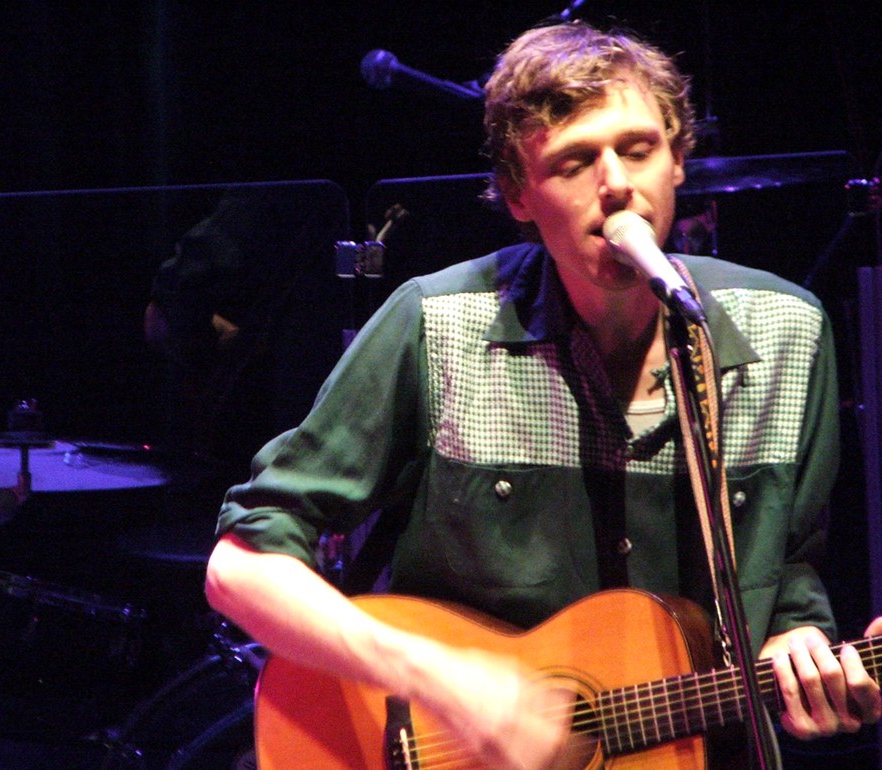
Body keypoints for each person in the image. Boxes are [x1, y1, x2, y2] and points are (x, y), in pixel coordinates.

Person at [204, 20, 882, 769]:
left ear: (680, 159)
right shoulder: (438, 325)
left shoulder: (788, 332)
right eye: (574, 162)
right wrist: (444, 679)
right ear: (518, 196)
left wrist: (796, 640)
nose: (617, 183)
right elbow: (241, 566)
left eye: (638, 149)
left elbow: (788, 564)